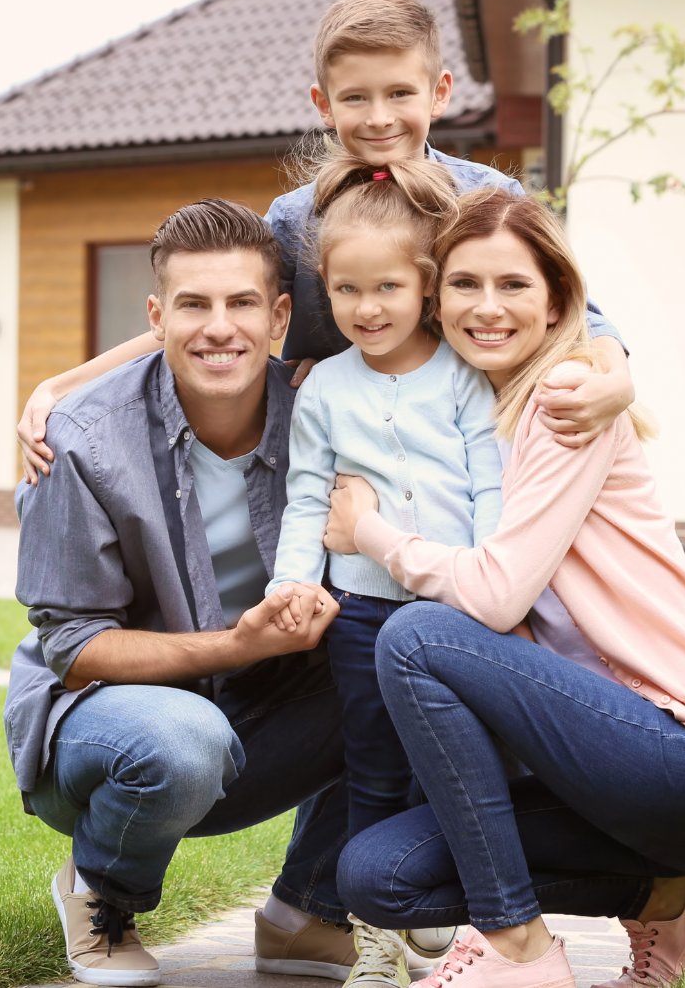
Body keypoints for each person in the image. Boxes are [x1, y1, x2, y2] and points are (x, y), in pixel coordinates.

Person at [322, 188, 685, 988]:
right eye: (464, 285)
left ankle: (516, 949)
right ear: (435, 299)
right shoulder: (482, 417)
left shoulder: (566, 398)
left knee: (417, 636)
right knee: (375, 876)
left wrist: (371, 533)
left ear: (559, 297)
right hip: (612, 772)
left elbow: (494, 599)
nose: (486, 307)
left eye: (513, 285)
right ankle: (669, 894)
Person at [12, 0, 635, 486]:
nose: (380, 116)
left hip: (475, 443)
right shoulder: (295, 218)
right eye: (355, 98)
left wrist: (617, 381)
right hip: (343, 452)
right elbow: (210, 310)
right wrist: (61, 386)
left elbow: (580, 315)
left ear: (439, 92)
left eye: (400, 93)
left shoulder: (488, 199)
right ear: (323, 104)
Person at [10, 198, 363, 987]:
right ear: (156, 315)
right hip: (108, 735)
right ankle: (101, 890)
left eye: (241, 303)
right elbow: (71, 650)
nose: (218, 327)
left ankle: (309, 910)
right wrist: (239, 645)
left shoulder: (322, 415)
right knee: (185, 738)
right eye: (194, 304)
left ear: (278, 317)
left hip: (261, 716)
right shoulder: (83, 440)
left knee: (415, 659)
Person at [268, 145, 505, 988]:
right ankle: (374, 941)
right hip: (363, 614)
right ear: (325, 295)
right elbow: (306, 499)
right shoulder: (324, 387)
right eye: (347, 291)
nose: (368, 308)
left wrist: (490, 585)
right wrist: (293, 581)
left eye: (388, 289)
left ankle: (452, 927)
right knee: (371, 771)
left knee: (453, 769)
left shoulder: (466, 378)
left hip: (454, 615)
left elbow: (491, 491)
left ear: (427, 288)